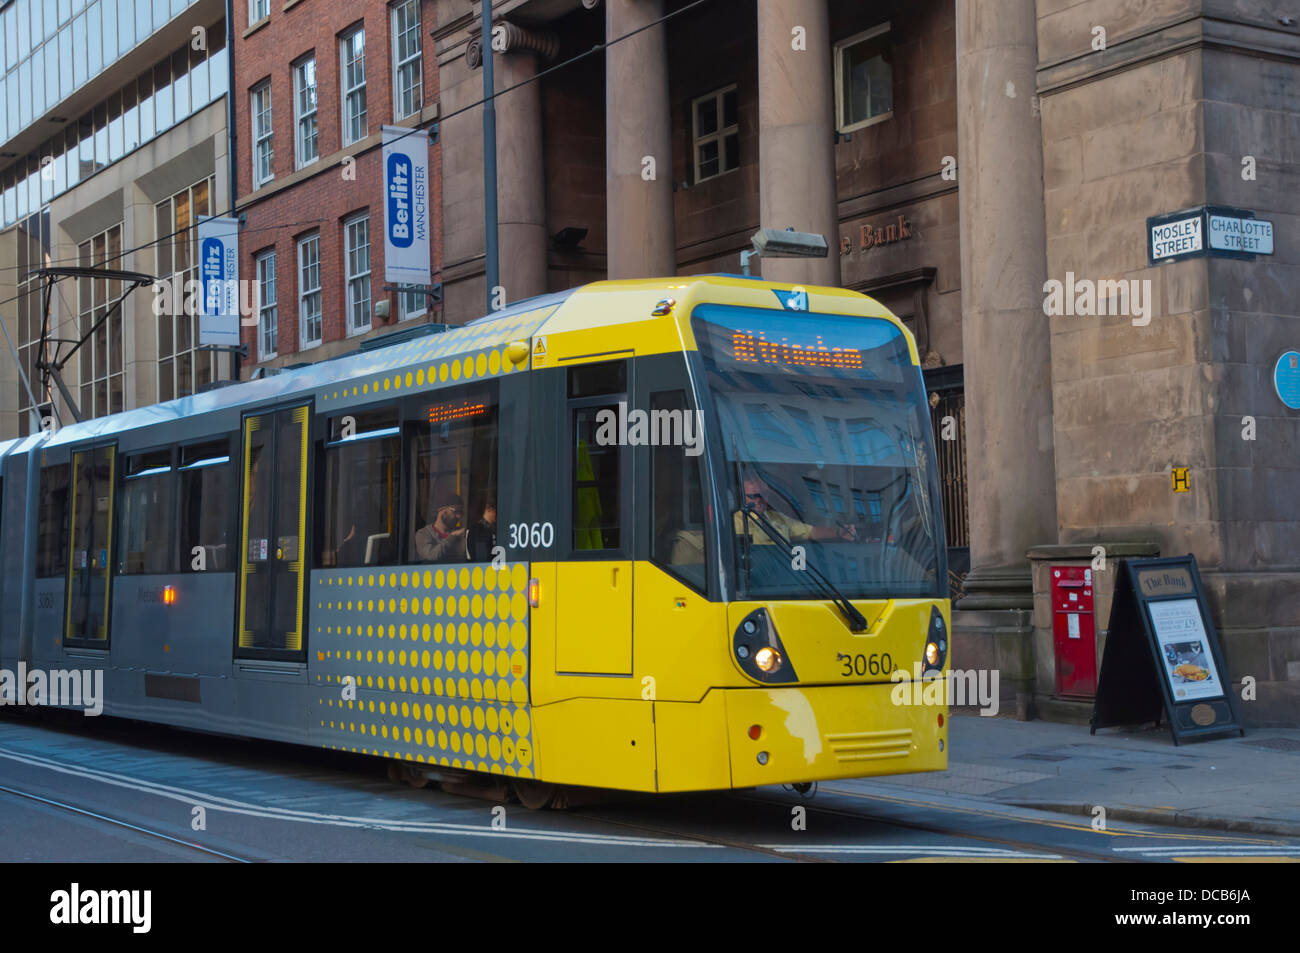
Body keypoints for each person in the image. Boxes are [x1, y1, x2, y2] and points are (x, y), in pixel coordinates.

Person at [734, 476, 857, 544]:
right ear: (740, 496)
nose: (759, 501)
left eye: (763, 495)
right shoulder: (734, 523)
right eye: (753, 496)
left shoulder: (776, 518)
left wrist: (838, 532)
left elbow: (810, 532)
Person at [415, 490, 467, 562]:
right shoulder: (423, 534)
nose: (459, 516)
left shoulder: (461, 534)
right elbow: (430, 556)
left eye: (461, 512)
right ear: (441, 510)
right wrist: (452, 537)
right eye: (456, 511)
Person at [466, 492, 497, 562]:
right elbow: (481, 558)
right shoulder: (478, 530)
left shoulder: (491, 528)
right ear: (489, 509)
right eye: (496, 510)